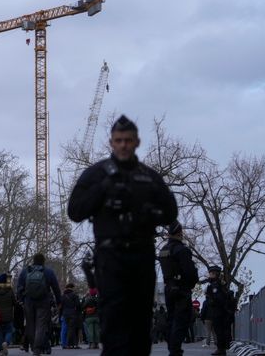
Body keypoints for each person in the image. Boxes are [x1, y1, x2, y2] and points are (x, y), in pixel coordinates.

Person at [68, 114, 177, 355]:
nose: (124, 145)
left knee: (140, 325)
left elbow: (171, 212)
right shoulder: (97, 174)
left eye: (128, 140)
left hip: (141, 254)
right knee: (113, 322)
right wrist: (102, 191)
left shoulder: (148, 176)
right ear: (111, 142)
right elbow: (74, 211)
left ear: (137, 142)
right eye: (119, 140)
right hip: (111, 257)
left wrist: (149, 213)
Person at [158, 221, 199, 356]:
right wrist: (191, 283)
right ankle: (175, 351)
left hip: (168, 288)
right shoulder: (182, 250)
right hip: (181, 289)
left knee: (171, 319)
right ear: (180, 233)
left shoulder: (163, 250)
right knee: (182, 320)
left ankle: (172, 348)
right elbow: (190, 272)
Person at [16, 253, 61, 356]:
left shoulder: (25, 271)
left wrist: (21, 299)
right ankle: (37, 349)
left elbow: (19, 286)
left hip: (28, 301)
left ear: (33, 260)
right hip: (43, 301)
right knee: (41, 325)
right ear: (43, 261)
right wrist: (58, 302)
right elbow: (56, 288)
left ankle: (33, 346)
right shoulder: (49, 272)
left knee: (30, 325)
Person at [204, 266, 234, 356]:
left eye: (211, 273)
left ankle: (221, 349)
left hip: (219, 312)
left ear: (215, 274)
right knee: (219, 331)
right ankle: (221, 349)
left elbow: (218, 299)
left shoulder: (216, 285)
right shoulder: (219, 284)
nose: (210, 275)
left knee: (219, 331)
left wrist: (211, 299)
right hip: (220, 312)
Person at [0, 274, 16, 356]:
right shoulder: (10, 290)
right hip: (8, 314)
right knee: (9, 331)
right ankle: (6, 342)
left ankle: (1, 350)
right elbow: (14, 302)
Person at [60, 283, 81, 349]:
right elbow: (78, 305)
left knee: (64, 329)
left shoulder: (63, 296)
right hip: (72, 313)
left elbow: (60, 307)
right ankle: (70, 344)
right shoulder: (74, 295)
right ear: (72, 288)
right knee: (71, 329)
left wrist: (60, 314)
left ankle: (64, 344)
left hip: (64, 314)